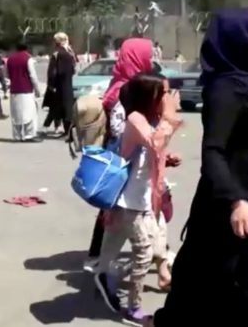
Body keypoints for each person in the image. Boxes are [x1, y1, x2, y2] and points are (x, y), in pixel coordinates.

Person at [149, 8, 248, 327]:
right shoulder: (225, 89)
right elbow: (213, 151)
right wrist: (237, 201)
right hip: (238, 208)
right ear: (241, 41)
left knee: (208, 286)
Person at [95, 74, 181, 325]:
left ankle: (103, 275)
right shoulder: (135, 118)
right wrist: (168, 116)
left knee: (140, 247)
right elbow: (154, 143)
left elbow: (152, 152)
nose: (168, 98)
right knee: (143, 252)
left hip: (142, 199)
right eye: (163, 93)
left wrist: (168, 158)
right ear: (150, 96)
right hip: (128, 201)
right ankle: (134, 309)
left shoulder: (150, 119)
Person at [86, 38, 157, 270]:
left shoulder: (121, 82)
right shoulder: (124, 89)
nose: (151, 59)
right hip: (125, 157)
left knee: (114, 207)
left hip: (125, 155)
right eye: (148, 55)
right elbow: (119, 129)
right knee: (119, 207)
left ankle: (102, 258)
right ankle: (103, 260)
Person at [6, 44, 42, 142]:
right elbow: (33, 75)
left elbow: (7, 75)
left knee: (16, 114)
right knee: (29, 113)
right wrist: (37, 89)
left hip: (14, 90)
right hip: (26, 90)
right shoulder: (28, 59)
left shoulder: (10, 59)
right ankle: (29, 135)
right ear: (27, 49)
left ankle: (17, 136)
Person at [43, 33, 75, 135]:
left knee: (58, 107)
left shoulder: (59, 53)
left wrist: (51, 84)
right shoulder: (65, 53)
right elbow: (68, 70)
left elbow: (52, 71)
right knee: (64, 108)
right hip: (64, 85)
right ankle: (66, 131)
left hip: (59, 85)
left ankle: (52, 126)